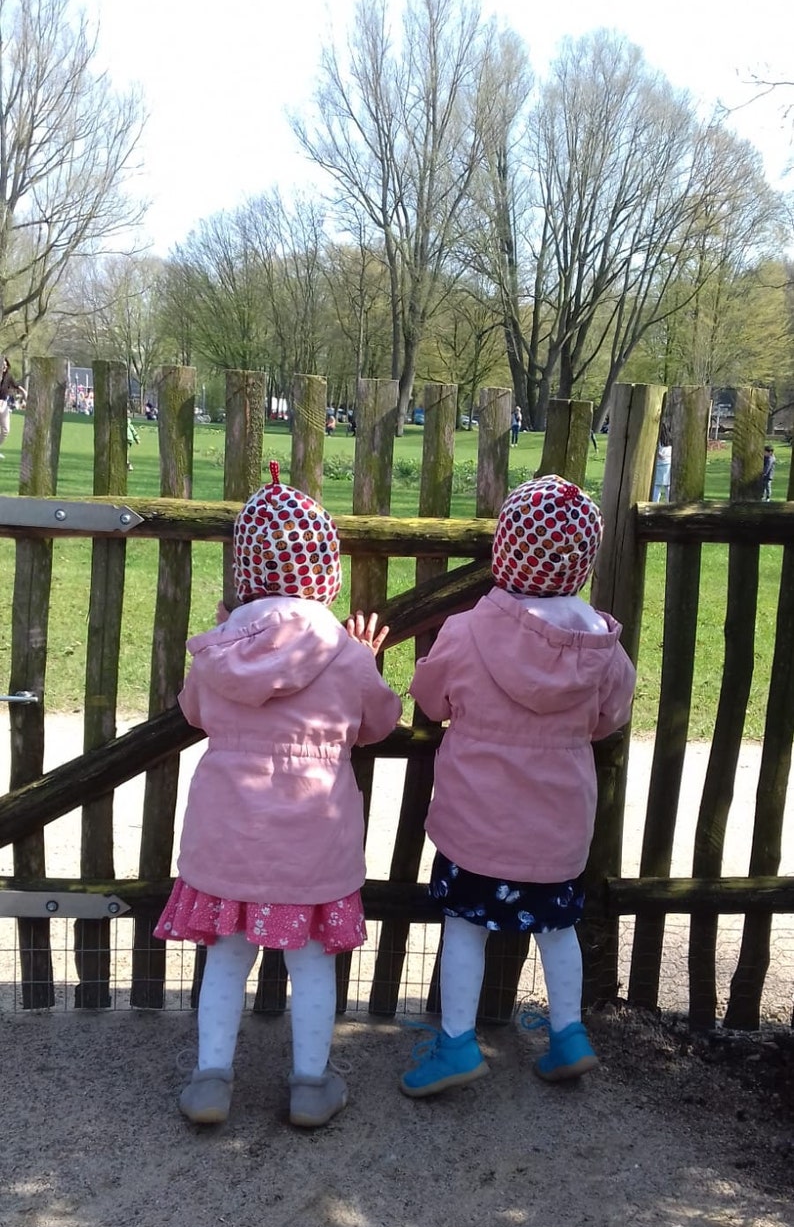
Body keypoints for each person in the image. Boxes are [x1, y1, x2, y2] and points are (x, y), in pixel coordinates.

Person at [155, 462, 402, 1129]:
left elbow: (195, 711)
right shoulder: (344, 655)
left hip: (228, 841)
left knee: (226, 961)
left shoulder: (217, 650)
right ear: (324, 564)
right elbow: (378, 724)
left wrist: (226, 639)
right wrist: (367, 662)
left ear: (248, 569)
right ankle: (309, 1085)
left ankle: (211, 1080)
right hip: (310, 852)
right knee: (312, 966)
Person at [400, 474, 636, 1098]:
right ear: (582, 561)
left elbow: (430, 700)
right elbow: (611, 716)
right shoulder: (602, 646)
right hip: (557, 827)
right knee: (557, 928)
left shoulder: (467, 630)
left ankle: (455, 1043)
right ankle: (569, 1035)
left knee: (466, 929)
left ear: (507, 548)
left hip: (475, 825)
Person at [0, 356, 26, 459]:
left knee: (6, 430)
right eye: (3, 365)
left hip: (3, 405)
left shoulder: (8, 376)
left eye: (6, 365)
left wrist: (23, 391)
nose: (5, 367)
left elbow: (15, 385)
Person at [652, 421, 673, 502]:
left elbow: (659, 454)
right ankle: (670, 502)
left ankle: (654, 503)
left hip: (659, 465)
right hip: (668, 464)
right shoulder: (670, 439)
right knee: (668, 487)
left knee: (656, 487)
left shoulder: (657, 441)